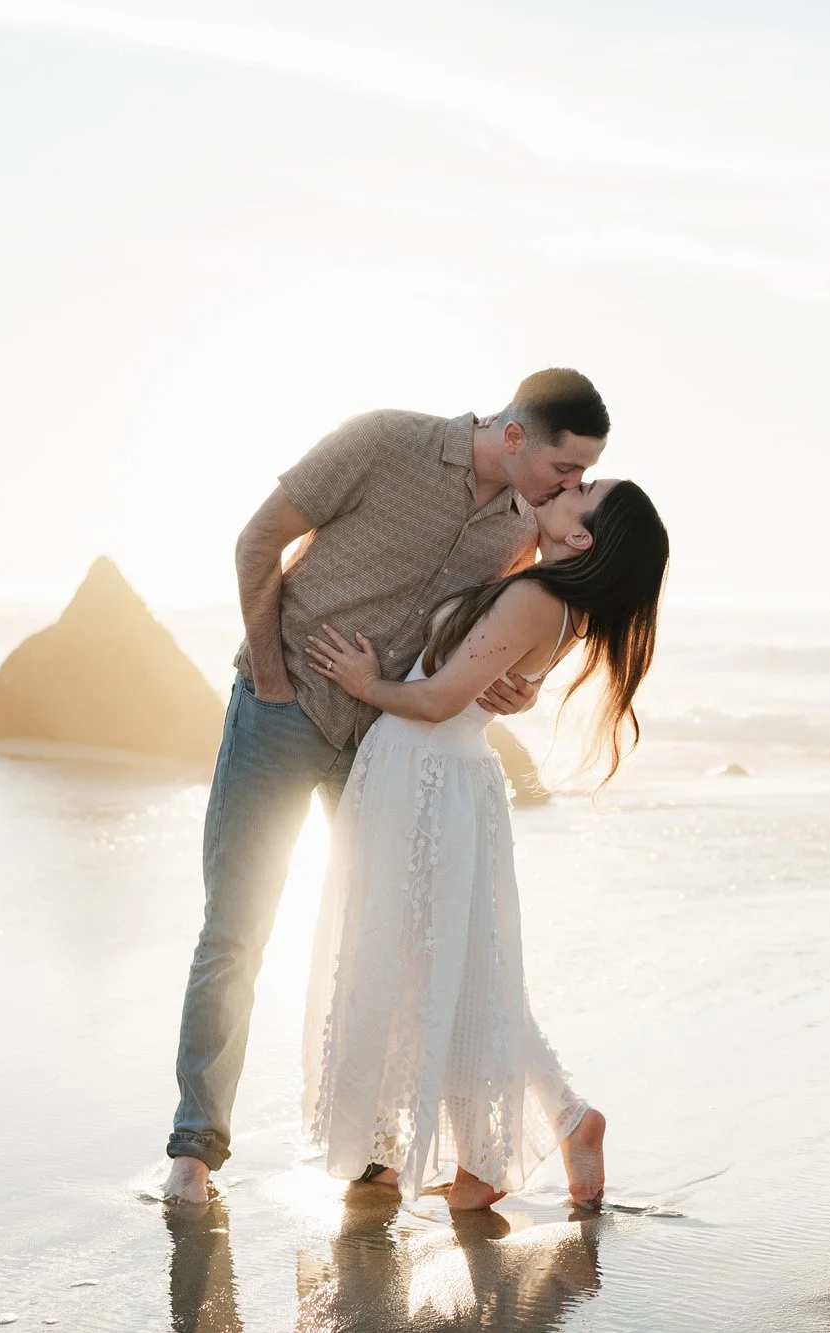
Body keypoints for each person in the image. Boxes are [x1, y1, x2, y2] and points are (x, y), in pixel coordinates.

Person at [165, 369, 612, 1206]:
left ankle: (376, 1150)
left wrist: (524, 685)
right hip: (281, 711)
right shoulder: (382, 442)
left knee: (393, 947)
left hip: (383, 749)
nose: (570, 487)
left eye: (581, 476)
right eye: (564, 469)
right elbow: (258, 542)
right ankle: (194, 1149)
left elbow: (506, 628)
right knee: (235, 929)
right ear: (516, 435)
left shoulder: (524, 526)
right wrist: (269, 677)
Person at [301, 477, 669, 1210]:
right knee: (461, 970)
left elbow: (437, 699)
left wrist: (365, 681)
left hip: (426, 773)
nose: (567, 484)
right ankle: (510, 1147)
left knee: (436, 967)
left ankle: (532, 1132)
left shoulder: (538, 599)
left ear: (584, 536)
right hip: (440, 775)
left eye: (584, 489)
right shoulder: (561, 604)